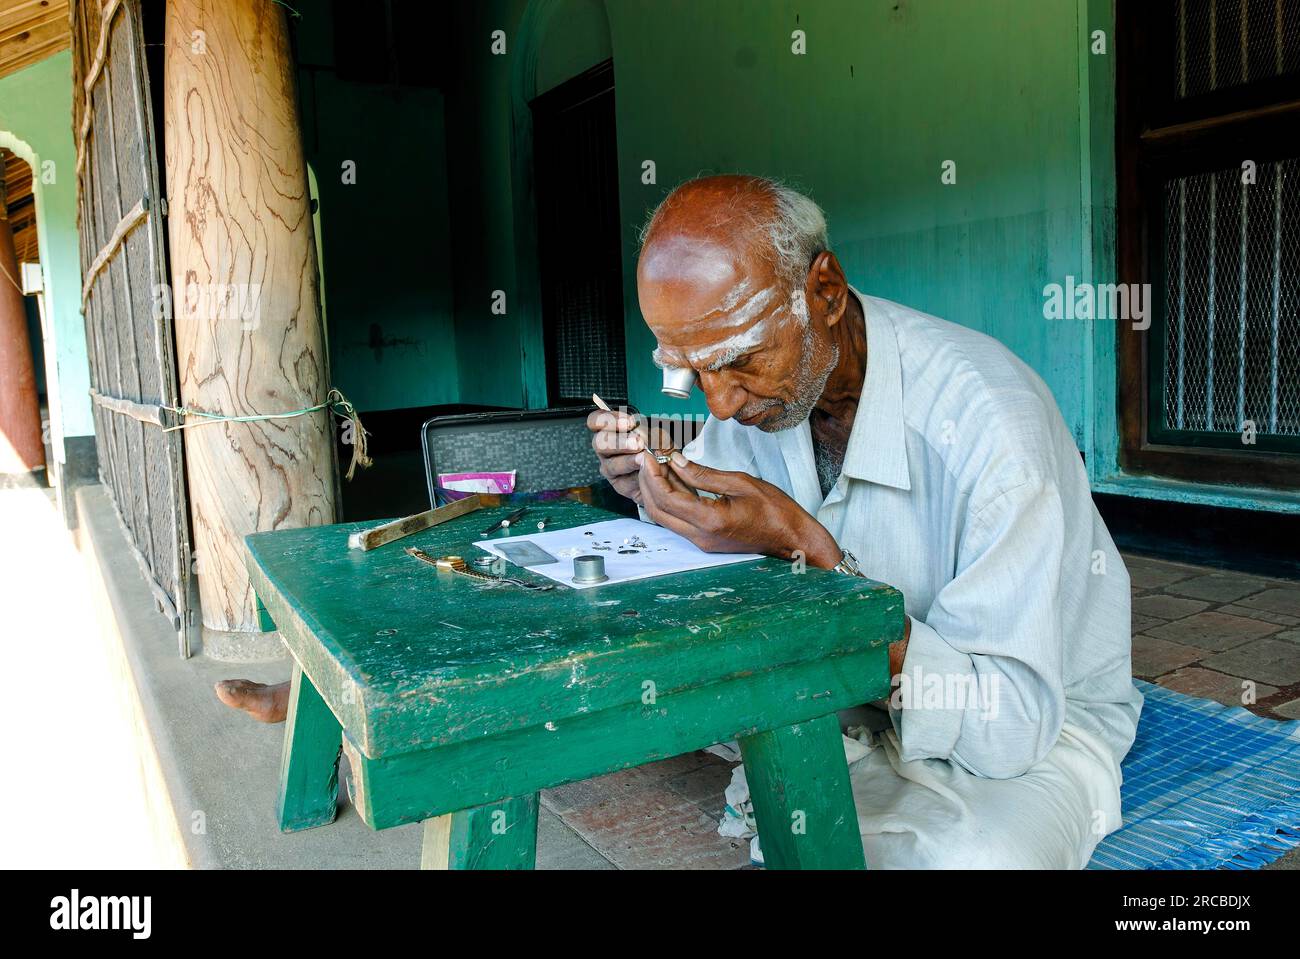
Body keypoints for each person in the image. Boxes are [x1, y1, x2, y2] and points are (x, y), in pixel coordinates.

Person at [588, 174, 1141, 868]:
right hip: (855, 704)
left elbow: (1010, 730)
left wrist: (808, 550)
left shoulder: (989, 424)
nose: (721, 404)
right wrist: (652, 488)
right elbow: (708, 506)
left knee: (980, 858)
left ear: (823, 291)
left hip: (1033, 726)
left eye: (738, 361)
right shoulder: (761, 395)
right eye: (691, 372)